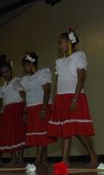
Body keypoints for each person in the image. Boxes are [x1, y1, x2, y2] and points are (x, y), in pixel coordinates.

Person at [48, 29, 98, 166]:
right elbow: (57, 82)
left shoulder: (79, 56)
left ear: (70, 42)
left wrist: (75, 98)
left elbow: (81, 79)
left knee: (78, 130)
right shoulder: (59, 61)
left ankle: (92, 154)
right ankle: (65, 160)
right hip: (61, 98)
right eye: (58, 43)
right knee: (66, 130)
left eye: (61, 42)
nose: (59, 46)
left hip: (74, 96)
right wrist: (54, 101)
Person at [21, 51, 55, 167]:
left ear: (31, 64)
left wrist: (44, 108)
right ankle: (44, 160)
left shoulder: (42, 73)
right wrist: (25, 111)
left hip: (41, 105)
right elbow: (27, 97)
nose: (24, 68)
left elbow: (47, 91)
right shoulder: (26, 79)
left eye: (25, 65)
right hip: (31, 108)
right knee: (39, 134)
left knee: (41, 133)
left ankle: (38, 159)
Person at [0, 61, 26, 166]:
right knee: (9, 133)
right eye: (3, 73)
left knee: (18, 132)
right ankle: (14, 158)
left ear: (11, 71)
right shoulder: (4, 86)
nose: (5, 74)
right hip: (7, 111)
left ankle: (21, 158)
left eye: (7, 71)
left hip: (17, 109)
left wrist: (25, 111)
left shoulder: (16, 81)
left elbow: (23, 96)